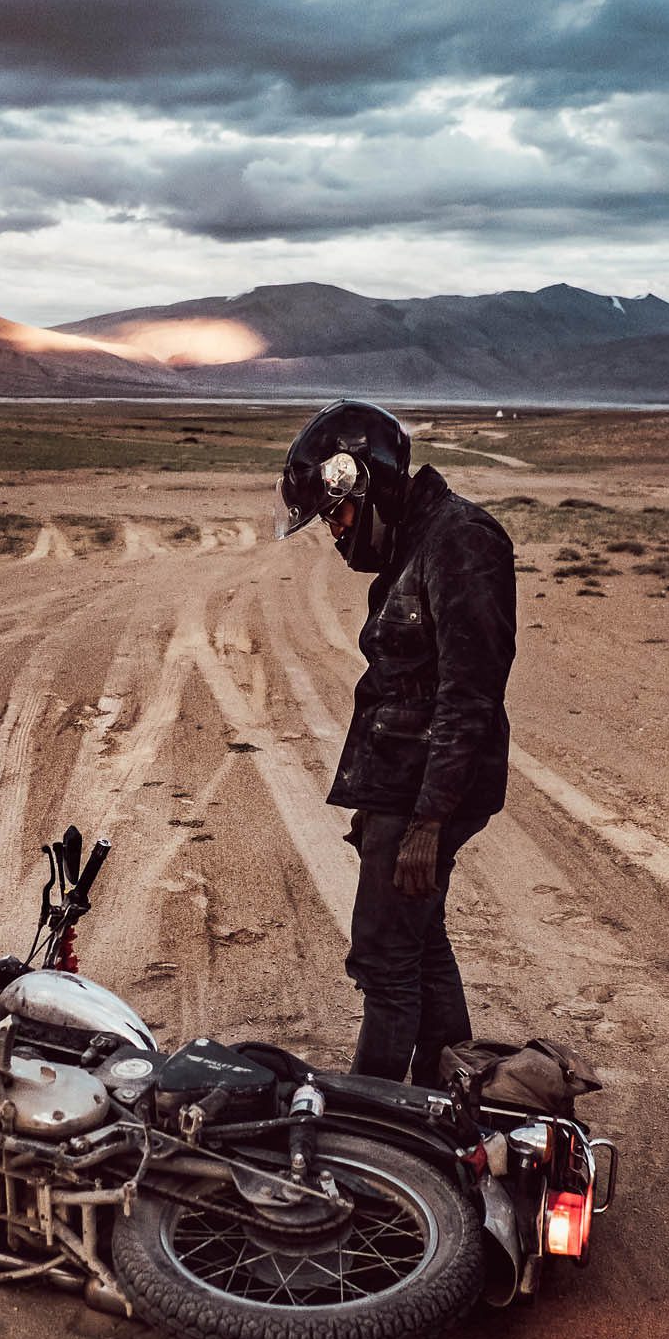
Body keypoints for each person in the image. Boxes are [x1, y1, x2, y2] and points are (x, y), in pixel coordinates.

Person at [274, 400, 516, 1085]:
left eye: (335, 512)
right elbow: (402, 689)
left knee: (383, 958)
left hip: (429, 793)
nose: (335, 530)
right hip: (403, 788)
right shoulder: (420, 537)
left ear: (365, 483)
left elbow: (469, 692)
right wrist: (376, 803)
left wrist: (425, 822)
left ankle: (371, 1121)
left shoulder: (460, 539)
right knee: (416, 939)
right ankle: (446, 1090)